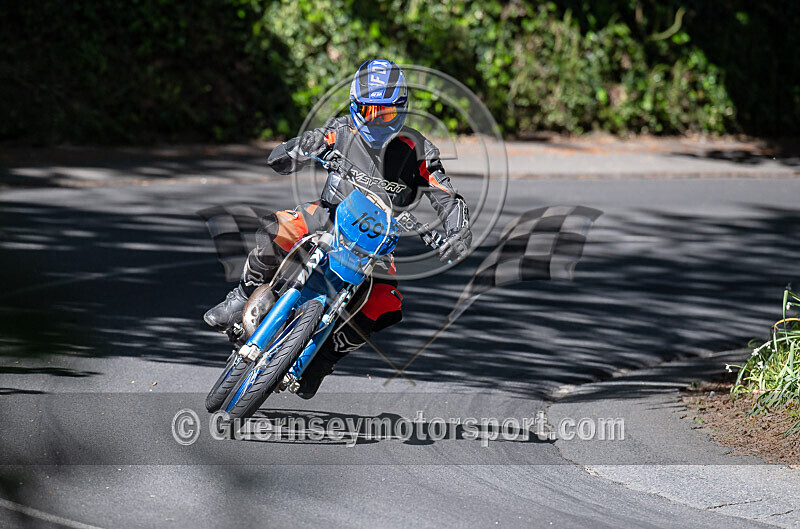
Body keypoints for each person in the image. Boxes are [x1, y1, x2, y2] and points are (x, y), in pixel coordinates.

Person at [204, 59, 472, 398]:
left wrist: (457, 232)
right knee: (276, 229)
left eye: (386, 113)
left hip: (378, 242)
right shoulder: (340, 130)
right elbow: (281, 156)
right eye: (370, 110)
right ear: (354, 105)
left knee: (385, 304)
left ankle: (322, 360)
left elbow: (447, 196)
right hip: (328, 214)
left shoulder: (419, 149)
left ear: (402, 110)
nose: (377, 119)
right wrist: (302, 149)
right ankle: (241, 295)